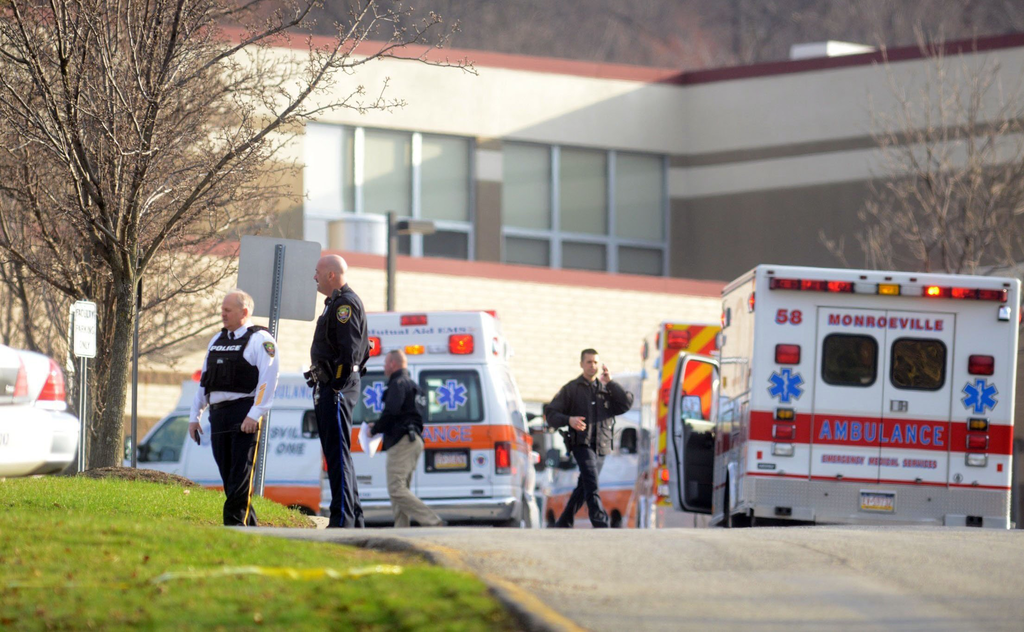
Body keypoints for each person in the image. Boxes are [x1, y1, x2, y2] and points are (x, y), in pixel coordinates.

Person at [188, 289, 279, 526]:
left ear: (244, 312)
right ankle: (252, 530)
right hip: (218, 417)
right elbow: (205, 381)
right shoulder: (216, 341)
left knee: (240, 477)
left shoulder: (261, 340)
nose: (223, 314)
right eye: (222, 309)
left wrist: (254, 414)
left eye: (228, 310)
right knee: (230, 479)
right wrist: (194, 415)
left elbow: (268, 380)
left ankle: (233, 528)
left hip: (243, 415)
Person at [308, 254, 369, 528]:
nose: (314, 277)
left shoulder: (345, 304)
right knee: (337, 454)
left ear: (332, 274)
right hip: (331, 386)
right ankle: (352, 518)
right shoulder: (333, 303)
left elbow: (351, 352)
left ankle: (341, 520)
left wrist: (336, 385)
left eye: (318, 272)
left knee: (337, 454)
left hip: (337, 388)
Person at [544, 348, 633, 528]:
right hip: (581, 443)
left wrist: (611, 383)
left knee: (584, 484)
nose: (592, 366)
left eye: (595, 362)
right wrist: (569, 420)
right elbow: (551, 413)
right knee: (591, 480)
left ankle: (564, 520)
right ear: (581, 364)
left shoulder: (606, 390)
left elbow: (625, 404)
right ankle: (600, 521)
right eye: (589, 362)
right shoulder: (571, 389)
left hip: (602, 445)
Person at [371, 349, 444, 528]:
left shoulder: (397, 384)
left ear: (392, 364)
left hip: (402, 441)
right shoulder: (414, 386)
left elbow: (391, 412)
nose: (384, 367)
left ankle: (432, 520)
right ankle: (401, 531)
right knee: (401, 489)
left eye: (385, 363)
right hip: (414, 440)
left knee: (396, 489)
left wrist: (374, 429)